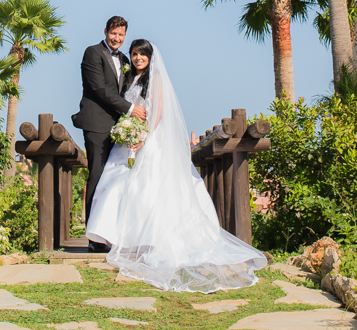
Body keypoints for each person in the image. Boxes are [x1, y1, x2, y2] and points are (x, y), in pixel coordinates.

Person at [85, 39, 266, 292]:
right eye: (134, 54)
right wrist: (128, 133)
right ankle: (117, 237)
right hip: (128, 141)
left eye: (142, 55)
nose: (137, 58)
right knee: (116, 184)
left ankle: (150, 238)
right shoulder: (129, 80)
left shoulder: (155, 79)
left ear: (150, 57)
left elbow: (157, 111)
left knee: (149, 187)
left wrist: (144, 135)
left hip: (150, 137)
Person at [72, 16, 147, 252]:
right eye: (113, 33)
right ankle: (94, 238)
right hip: (96, 124)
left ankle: (113, 232)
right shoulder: (92, 53)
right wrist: (130, 109)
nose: (117, 38)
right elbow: (99, 89)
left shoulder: (125, 59)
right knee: (96, 175)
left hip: (119, 128)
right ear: (105, 31)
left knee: (116, 179)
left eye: (121, 35)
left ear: (125, 37)